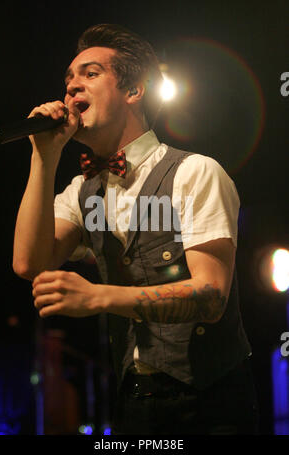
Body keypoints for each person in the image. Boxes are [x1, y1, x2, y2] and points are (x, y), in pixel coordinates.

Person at [13, 23, 258, 435]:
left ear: (134, 91)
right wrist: (44, 157)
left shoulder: (195, 172)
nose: (72, 88)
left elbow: (211, 296)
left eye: (90, 74)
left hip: (211, 403)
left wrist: (98, 296)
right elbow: (28, 262)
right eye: (68, 80)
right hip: (132, 399)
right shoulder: (80, 192)